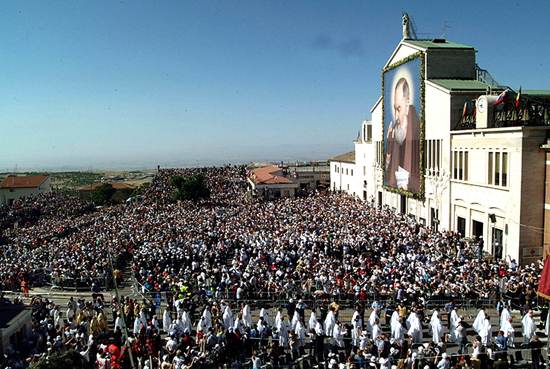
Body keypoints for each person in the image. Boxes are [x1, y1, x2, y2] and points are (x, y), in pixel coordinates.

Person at [385, 77, 420, 191]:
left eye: (399, 109)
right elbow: (388, 177)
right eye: (395, 109)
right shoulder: (395, 133)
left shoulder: (416, 131)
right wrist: (389, 155)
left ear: (407, 104)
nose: (396, 117)